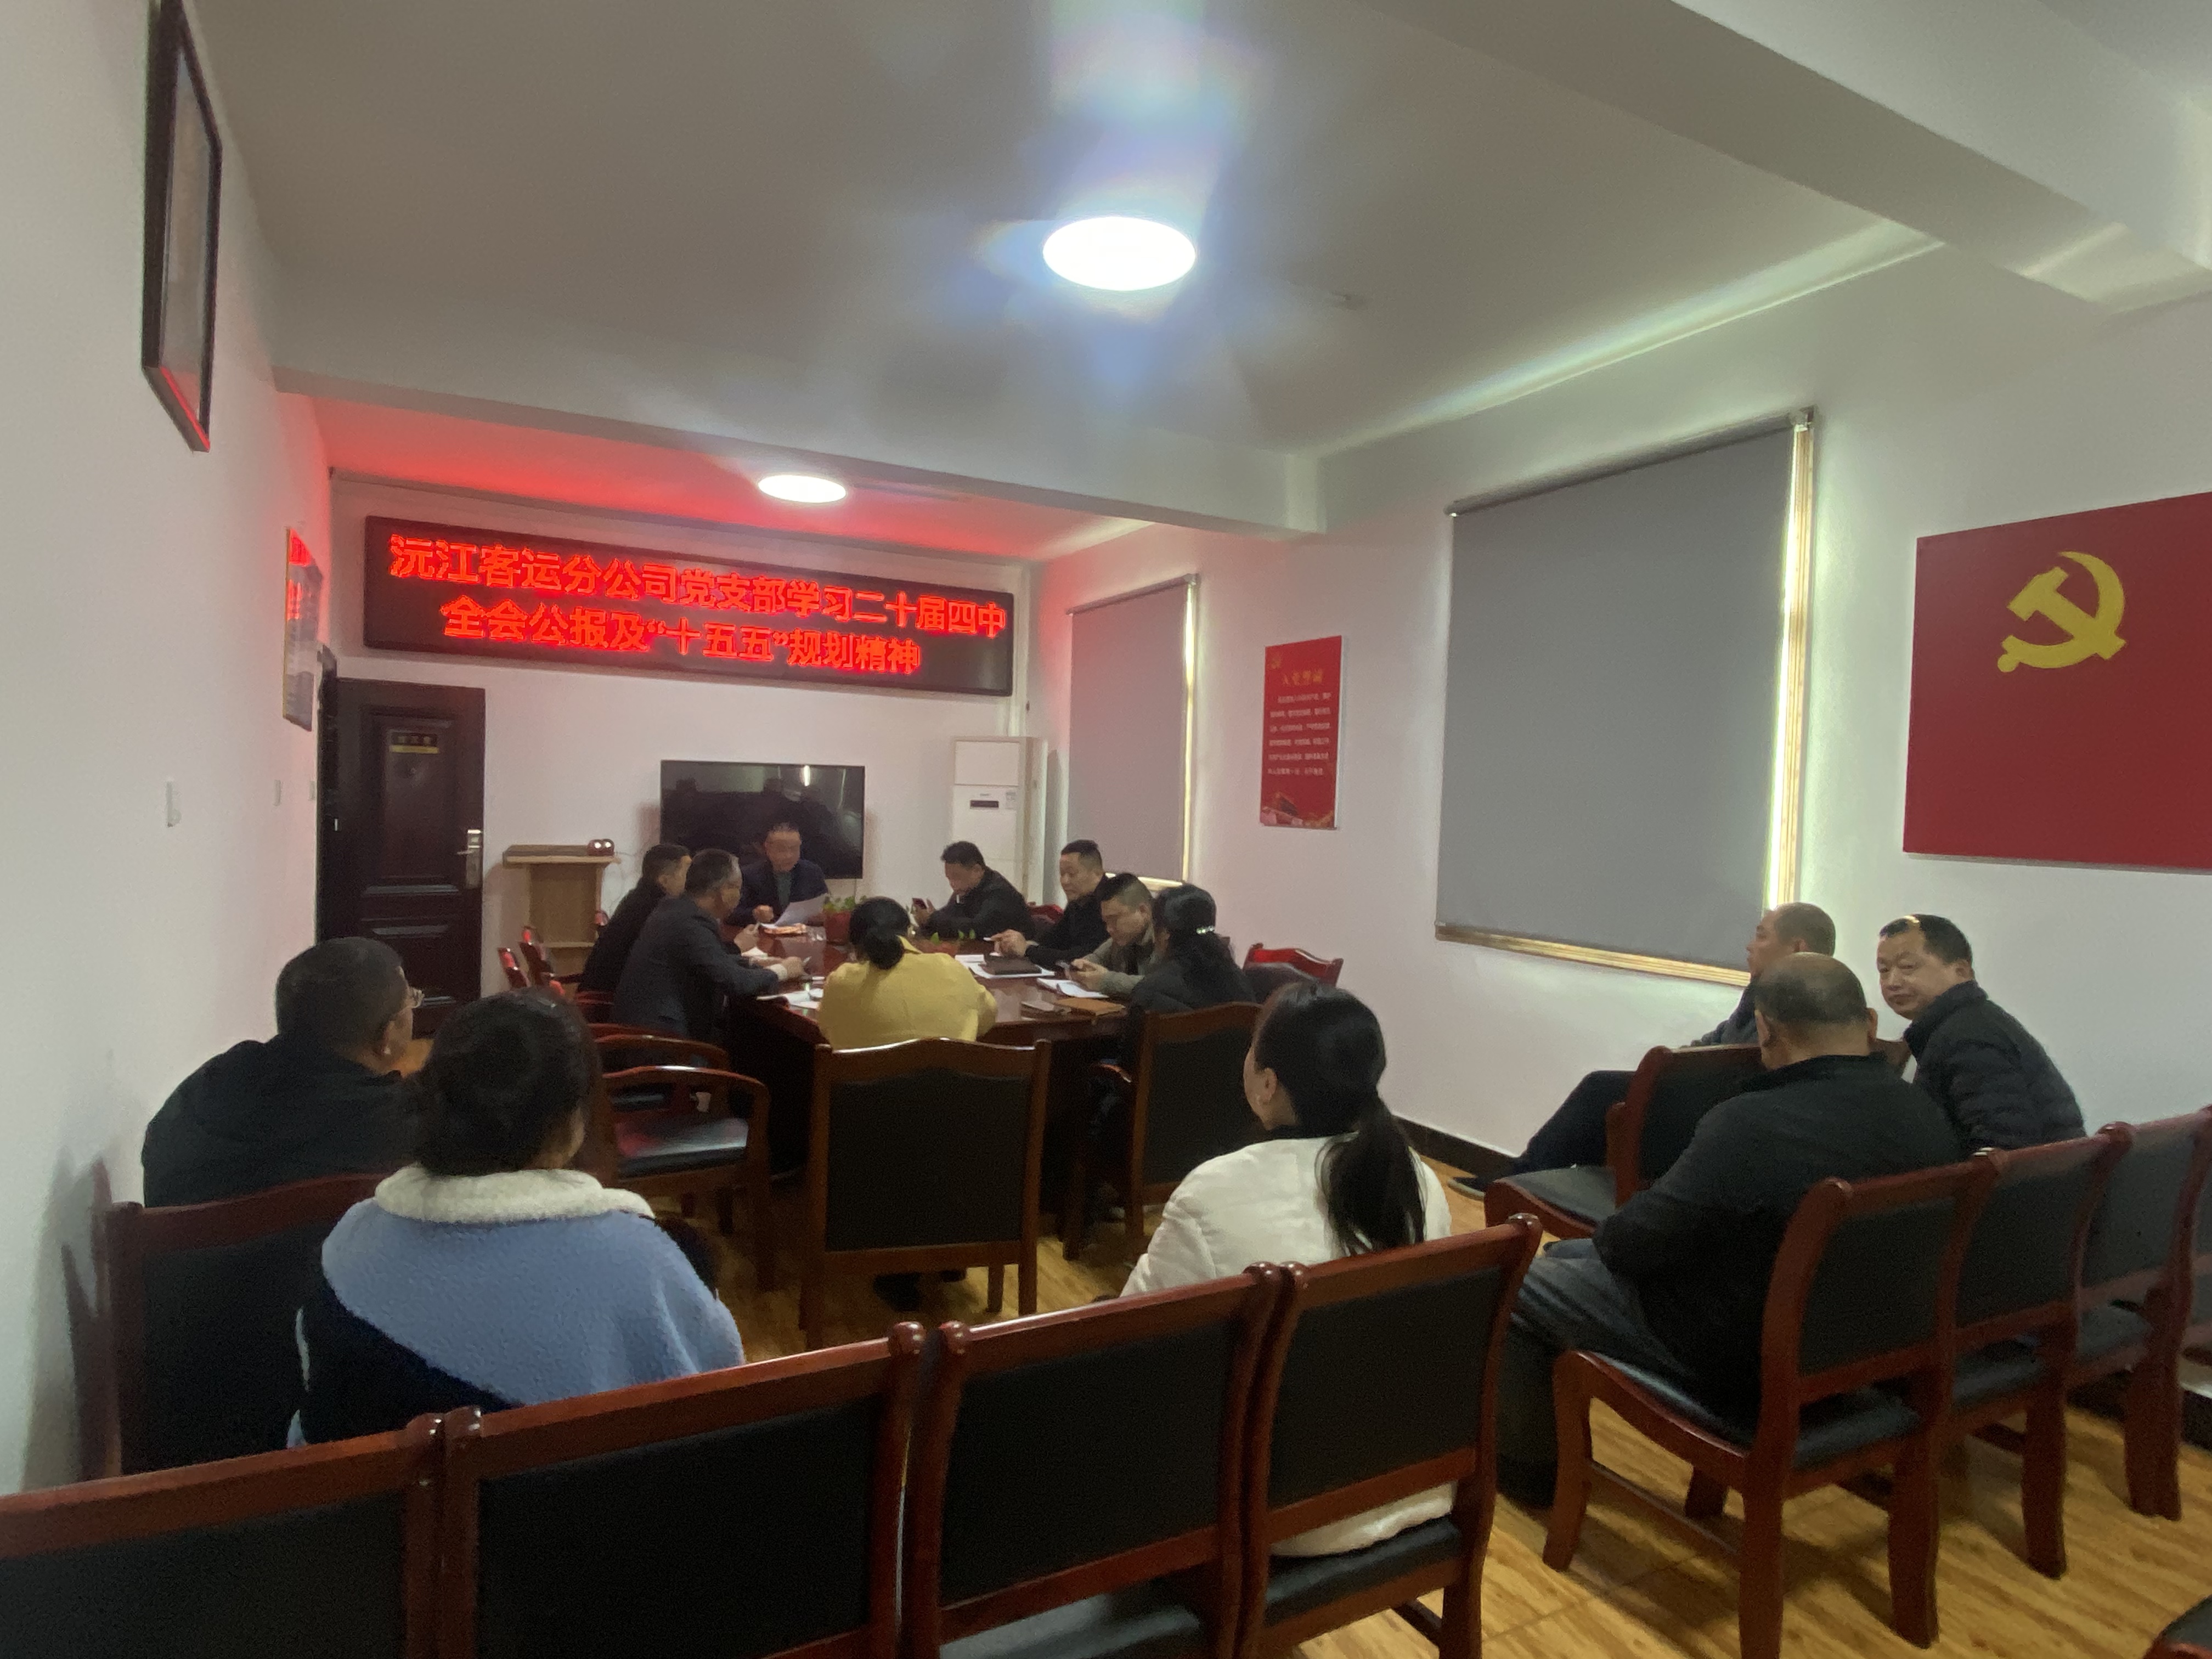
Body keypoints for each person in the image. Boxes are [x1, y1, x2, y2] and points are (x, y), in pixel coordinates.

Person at [1494, 954, 1960, 1505]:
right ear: (1868, 1022)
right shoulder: (1924, 1115)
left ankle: (1532, 1474)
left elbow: (1635, 1242)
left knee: (1517, 1284)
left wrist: (1610, 1242)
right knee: (1569, 1257)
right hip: (1865, 1341)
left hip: (1738, 1354)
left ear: (1765, 1029)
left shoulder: (1752, 1123)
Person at [296, 991, 743, 1442]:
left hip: (354, 1489)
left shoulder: (348, 1243)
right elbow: (721, 1410)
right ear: (571, 1122)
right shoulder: (646, 1266)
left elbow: (313, 1424)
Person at [1124, 981, 1453, 1555]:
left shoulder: (1214, 1193)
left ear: (1267, 1083)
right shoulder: (1416, 1180)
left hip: (1269, 1514)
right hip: (1406, 1481)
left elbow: (1131, 1341)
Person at [1454, 901, 1836, 1198]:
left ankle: (1526, 1180)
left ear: (1797, 948)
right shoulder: (1760, 990)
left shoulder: (1803, 1005)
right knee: (1613, 1102)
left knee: (1602, 1088)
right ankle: (1545, 1185)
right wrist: (1675, 1063)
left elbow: (1742, 1068)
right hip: (1706, 1105)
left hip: (1724, 1126)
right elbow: (1718, 1041)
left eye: (1762, 937)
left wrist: (1666, 1076)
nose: (1750, 946)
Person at [142, 938, 420, 1209]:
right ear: (386, 1035)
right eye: (410, 1000)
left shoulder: (208, 1086)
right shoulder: (402, 1126)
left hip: (181, 1241)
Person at [1875, 913, 2084, 1150]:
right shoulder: (1964, 1023)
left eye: (1907, 967)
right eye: (1884, 970)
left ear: (1961, 972)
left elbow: (2000, 1148)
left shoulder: (1969, 1036)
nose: (1892, 982)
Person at [613, 848, 806, 1041]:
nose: (739, 896)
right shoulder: (690, 922)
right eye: (738, 888)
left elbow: (711, 960)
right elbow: (736, 982)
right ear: (724, 891)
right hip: (663, 1044)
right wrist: (783, 971)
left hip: (647, 1031)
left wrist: (753, 964)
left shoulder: (676, 908)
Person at [817, 897, 998, 1049]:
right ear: (910, 934)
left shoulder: (842, 982)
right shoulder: (951, 969)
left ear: (854, 946)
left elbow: (826, 1028)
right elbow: (988, 1016)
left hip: (869, 1082)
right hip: (951, 1081)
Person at [577, 842, 689, 996]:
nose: (692, 880)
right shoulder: (654, 911)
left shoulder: (640, 898)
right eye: (687, 873)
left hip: (611, 994)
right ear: (664, 881)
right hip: (607, 1002)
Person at [989, 839, 1109, 968]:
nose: (1065, 881)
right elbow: (1053, 940)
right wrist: (1015, 943)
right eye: (1062, 874)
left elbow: (1082, 957)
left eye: (1072, 874)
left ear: (1097, 874)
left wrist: (1027, 950)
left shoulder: (1109, 903)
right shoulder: (1078, 901)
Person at [1067, 872, 1163, 998]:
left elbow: (1162, 986)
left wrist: (1106, 981)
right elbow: (1096, 958)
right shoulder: (1123, 938)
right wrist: (1082, 967)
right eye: (1106, 922)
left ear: (1143, 911)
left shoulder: (1167, 938)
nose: (1109, 929)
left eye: (1114, 919)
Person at [914, 841, 1030, 941]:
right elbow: (950, 917)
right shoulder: (965, 890)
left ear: (977, 870)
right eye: (949, 879)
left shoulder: (999, 892)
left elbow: (976, 929)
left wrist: (934, 920)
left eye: (956, 877)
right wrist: (928, 921)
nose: (952, 884)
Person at [735, 821, 828, 926]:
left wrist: (824, 915)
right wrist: (754, 914)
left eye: (794, 849)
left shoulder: (812, 872)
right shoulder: (749, 875)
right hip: (764, 934)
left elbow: (826, 905)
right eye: (782, 849)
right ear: (768, 849)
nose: (789, 856)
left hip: (802, 933)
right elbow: (731, 913)